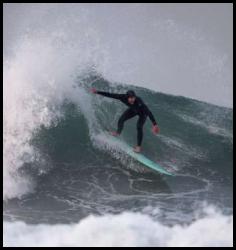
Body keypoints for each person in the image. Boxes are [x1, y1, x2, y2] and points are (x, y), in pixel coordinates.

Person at [91, 88, 159, 153]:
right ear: (127, 97)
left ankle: (138, 147)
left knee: (139, 127)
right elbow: (110, 94)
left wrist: (154, 124)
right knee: (121, 119)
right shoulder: (122, 97)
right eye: (130, 98)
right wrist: (97, 92)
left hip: (142, 114)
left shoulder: (139, 101)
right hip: (133, 110)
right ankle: (118, 133)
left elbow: (148, 112)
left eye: (133, 98)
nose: (132, 99)